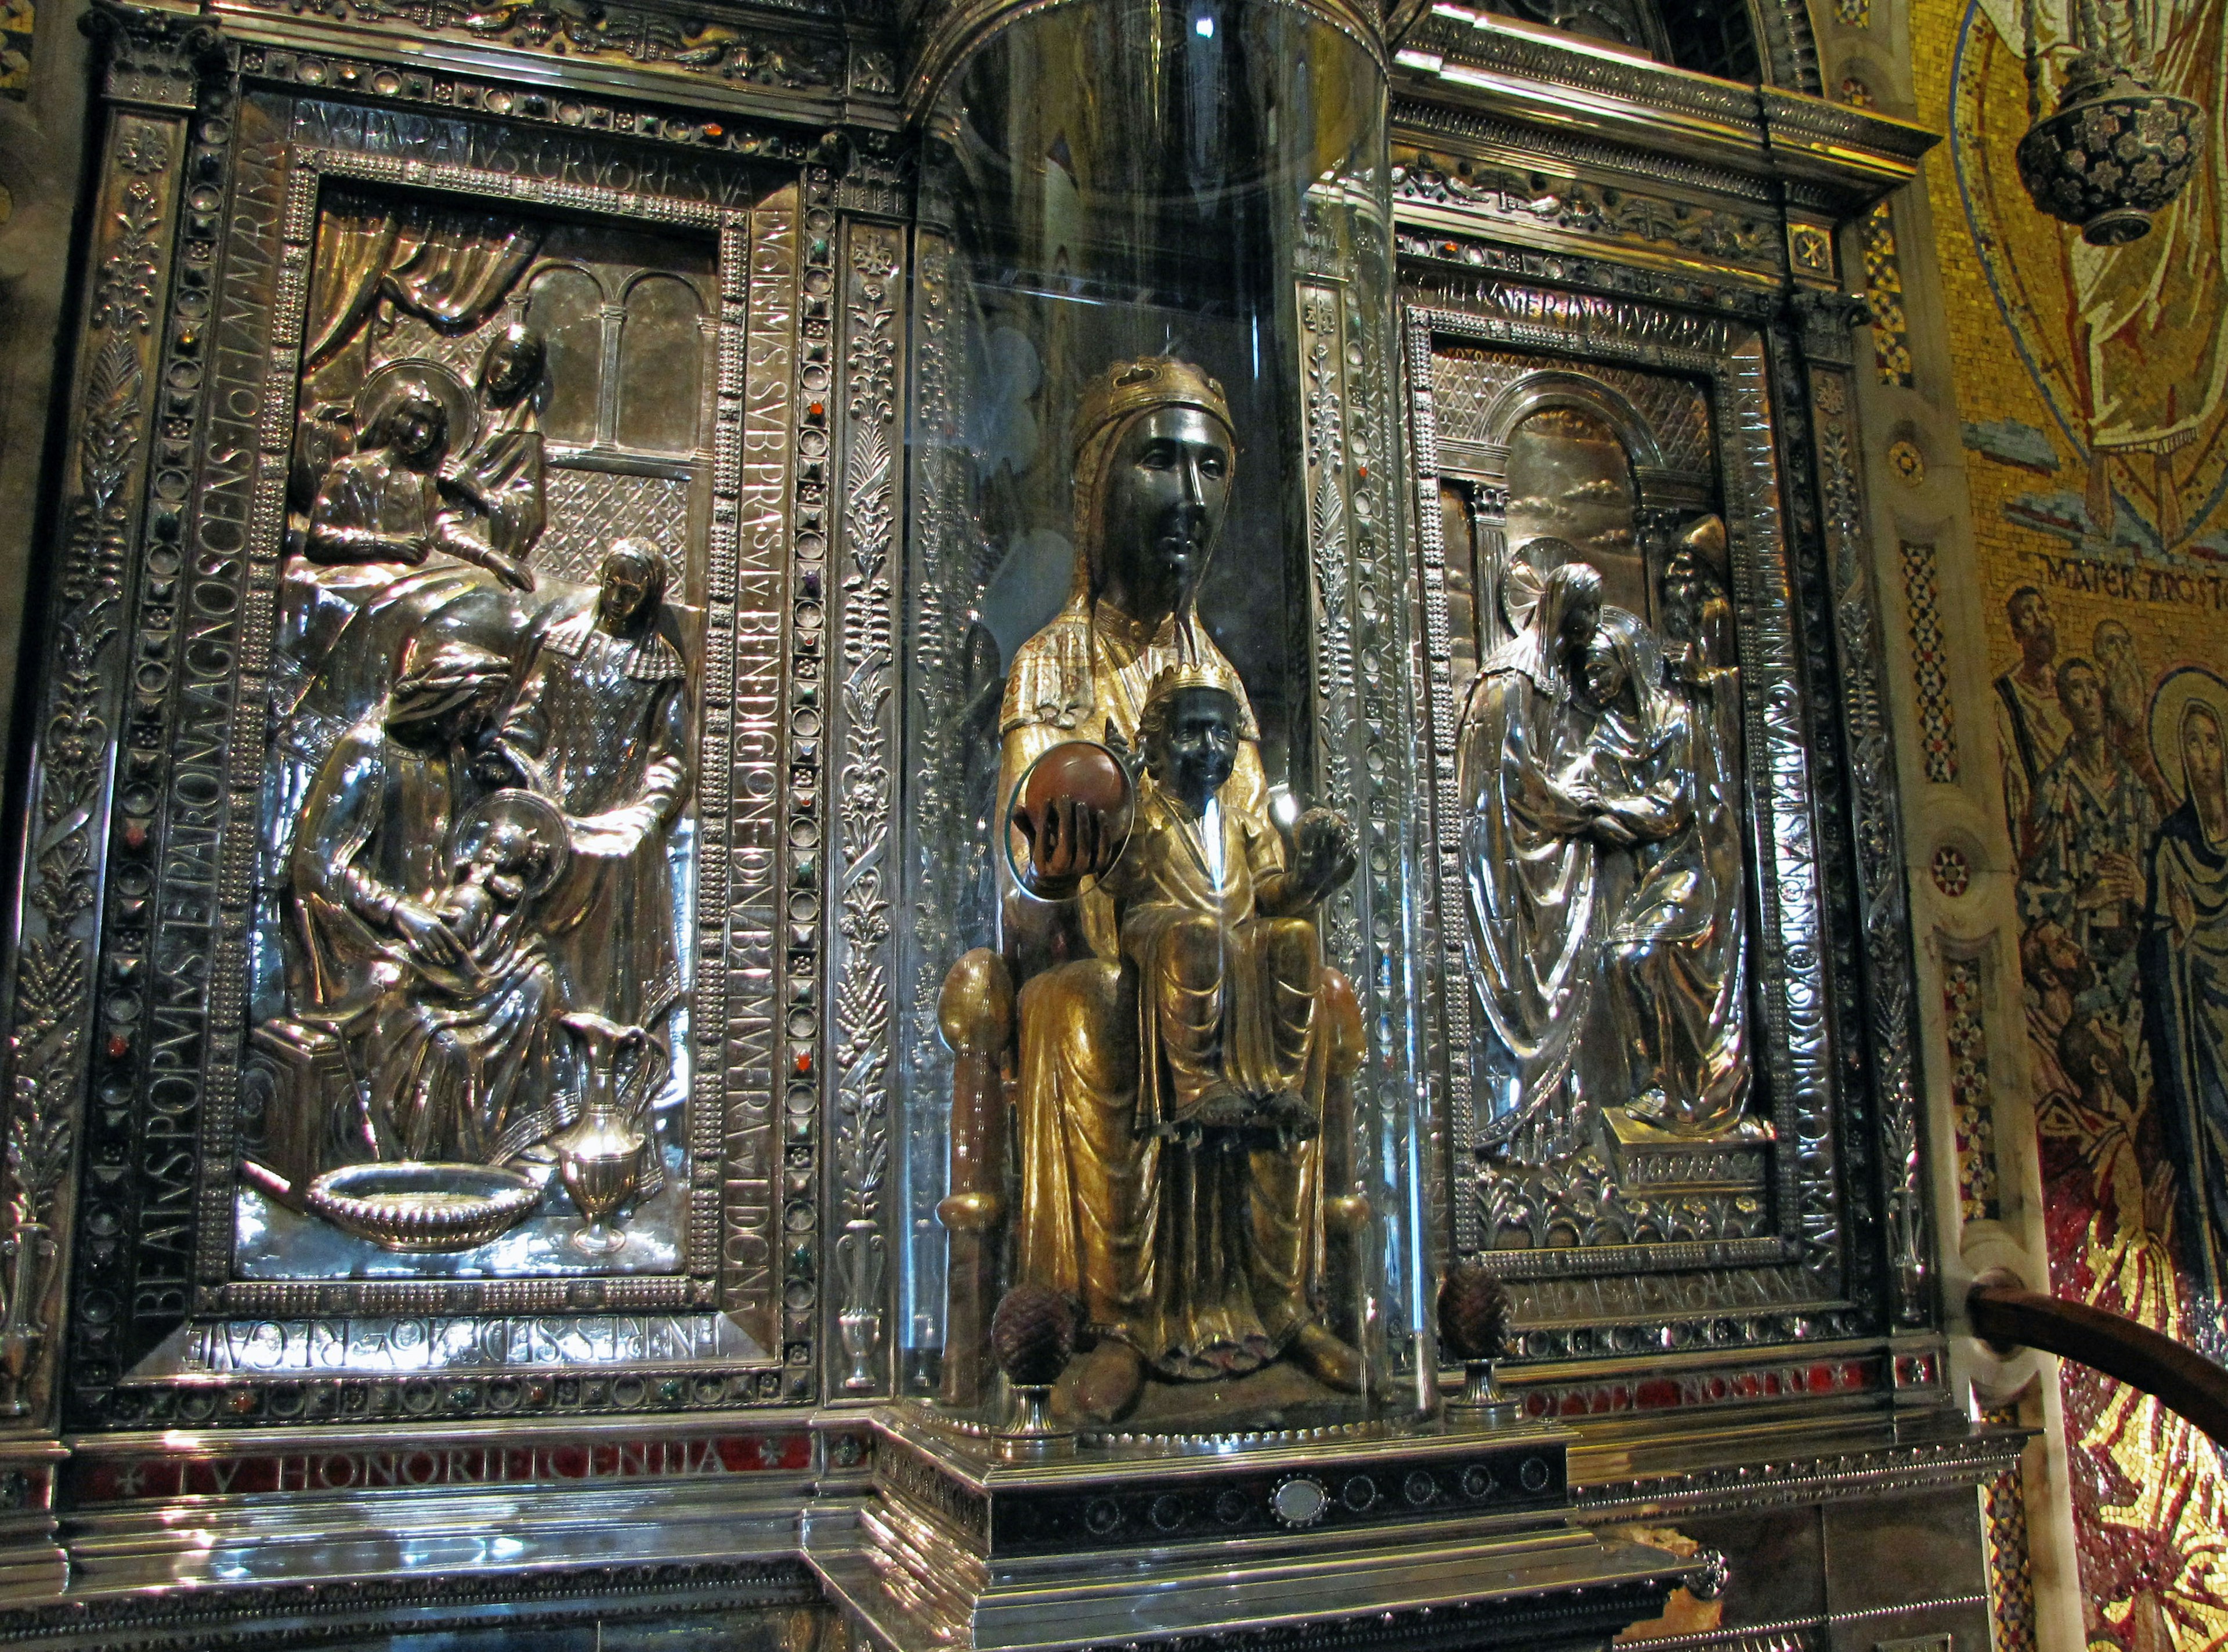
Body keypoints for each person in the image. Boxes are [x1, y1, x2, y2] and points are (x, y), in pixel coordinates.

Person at [964, 356, 1363, 1420]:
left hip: (1214, 952)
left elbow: (1252, 856)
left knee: (1307, 987)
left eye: (1209, 467)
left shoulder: (1221, 678)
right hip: (1099, 959)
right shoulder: (1053, 666)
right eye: (1158, 461)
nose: (1190, 496)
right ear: (1098, 484)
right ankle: (1112, 1321)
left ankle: (1282, 1310)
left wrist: (1297, 883)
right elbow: (1030, 889)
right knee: (1096, 1004)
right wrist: (1077, 852)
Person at [1096, 669, 1353, 1150]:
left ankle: (1280, 1083)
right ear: (1153, 750)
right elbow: (1123, 878)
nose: (1211, 747)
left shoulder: (1242, 825)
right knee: (1194, 933)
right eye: (1190, 732)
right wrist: (1120, 807)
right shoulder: (1147, 814)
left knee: (1296, 936)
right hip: (1160, 934)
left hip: (1233, 935)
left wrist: (1307, 880)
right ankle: (1196, 1082)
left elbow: (1268, 891)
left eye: (1223, 733)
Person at [498, 540, 690, 1145]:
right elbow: (526, 721)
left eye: (634, 588)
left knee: (623, 857)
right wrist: (517, 760)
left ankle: (609, 1057)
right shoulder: (563, 645)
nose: (619, 596)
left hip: (617, 824)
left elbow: (667, 758)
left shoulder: (659, 666)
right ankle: (533, 1061)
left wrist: (647, 812)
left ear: (650, 595)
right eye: (613, 582)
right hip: (552, 809)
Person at [1456, 559, 1622, 1162]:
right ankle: (1508, 1132)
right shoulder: (1512, 676)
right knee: (1521, 990)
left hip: (1548, 857)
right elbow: (1513, 779)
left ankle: (1556, 1134)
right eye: (1587, 611)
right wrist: (1575, 807)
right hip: (1508, 866)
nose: (1593, 625)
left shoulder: (1554, 675)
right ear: (1561, 605)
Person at [356, 790, 573, 1165]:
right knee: (448, 1047)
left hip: (489, 979)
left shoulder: (506, 894)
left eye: (502, 854)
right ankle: (440, 1154)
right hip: (445, 980)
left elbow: (490, 931)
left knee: (540, 981)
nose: (490, 857)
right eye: (488, 848)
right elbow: (453, 936)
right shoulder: (469, 892)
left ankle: (521, 1127)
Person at [2139, 689, 2228, 1304]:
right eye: (2190, 743)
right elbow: (2162, 946)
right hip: (2205, 1032)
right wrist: (2184, 944)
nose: (2201, 755)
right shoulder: (2173, 844)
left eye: (2211, 741)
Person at [305, 378, 536, 592]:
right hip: (358, 580)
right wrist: (386, 545)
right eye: (416, 419)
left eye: (432, 427)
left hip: (409, 580)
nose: (422, 433)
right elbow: (319, 539)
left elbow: (446, 530)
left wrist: (495, 558)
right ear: (394, 417)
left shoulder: (423, 481)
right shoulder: (353, 471)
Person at [2021, 657, 2156, 979]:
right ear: (2065, 707)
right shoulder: (2054, 788)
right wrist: (2081, 900)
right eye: (2076, 689)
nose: (2087, 698)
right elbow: (2026, 892)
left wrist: (2143, 891)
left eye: (2092, 687)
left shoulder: (2135, 791)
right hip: (2078, 968)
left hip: (2136, 970)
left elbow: (2164, 883)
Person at [441, 323, 548, 574]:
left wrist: (477, 490)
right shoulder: (452, 403)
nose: (509, 371)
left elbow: (530, 511)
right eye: (505, 357)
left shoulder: (522, 434)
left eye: (521, 368)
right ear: (491, 353)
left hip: (467, 529)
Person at [1993, 586, 2069, 860]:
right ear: (2016, 633)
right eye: (2028, 614)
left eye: (2043, 610)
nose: (2039, 621)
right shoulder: (2004, 696)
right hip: (2039, 834)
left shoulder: (2073, 690)